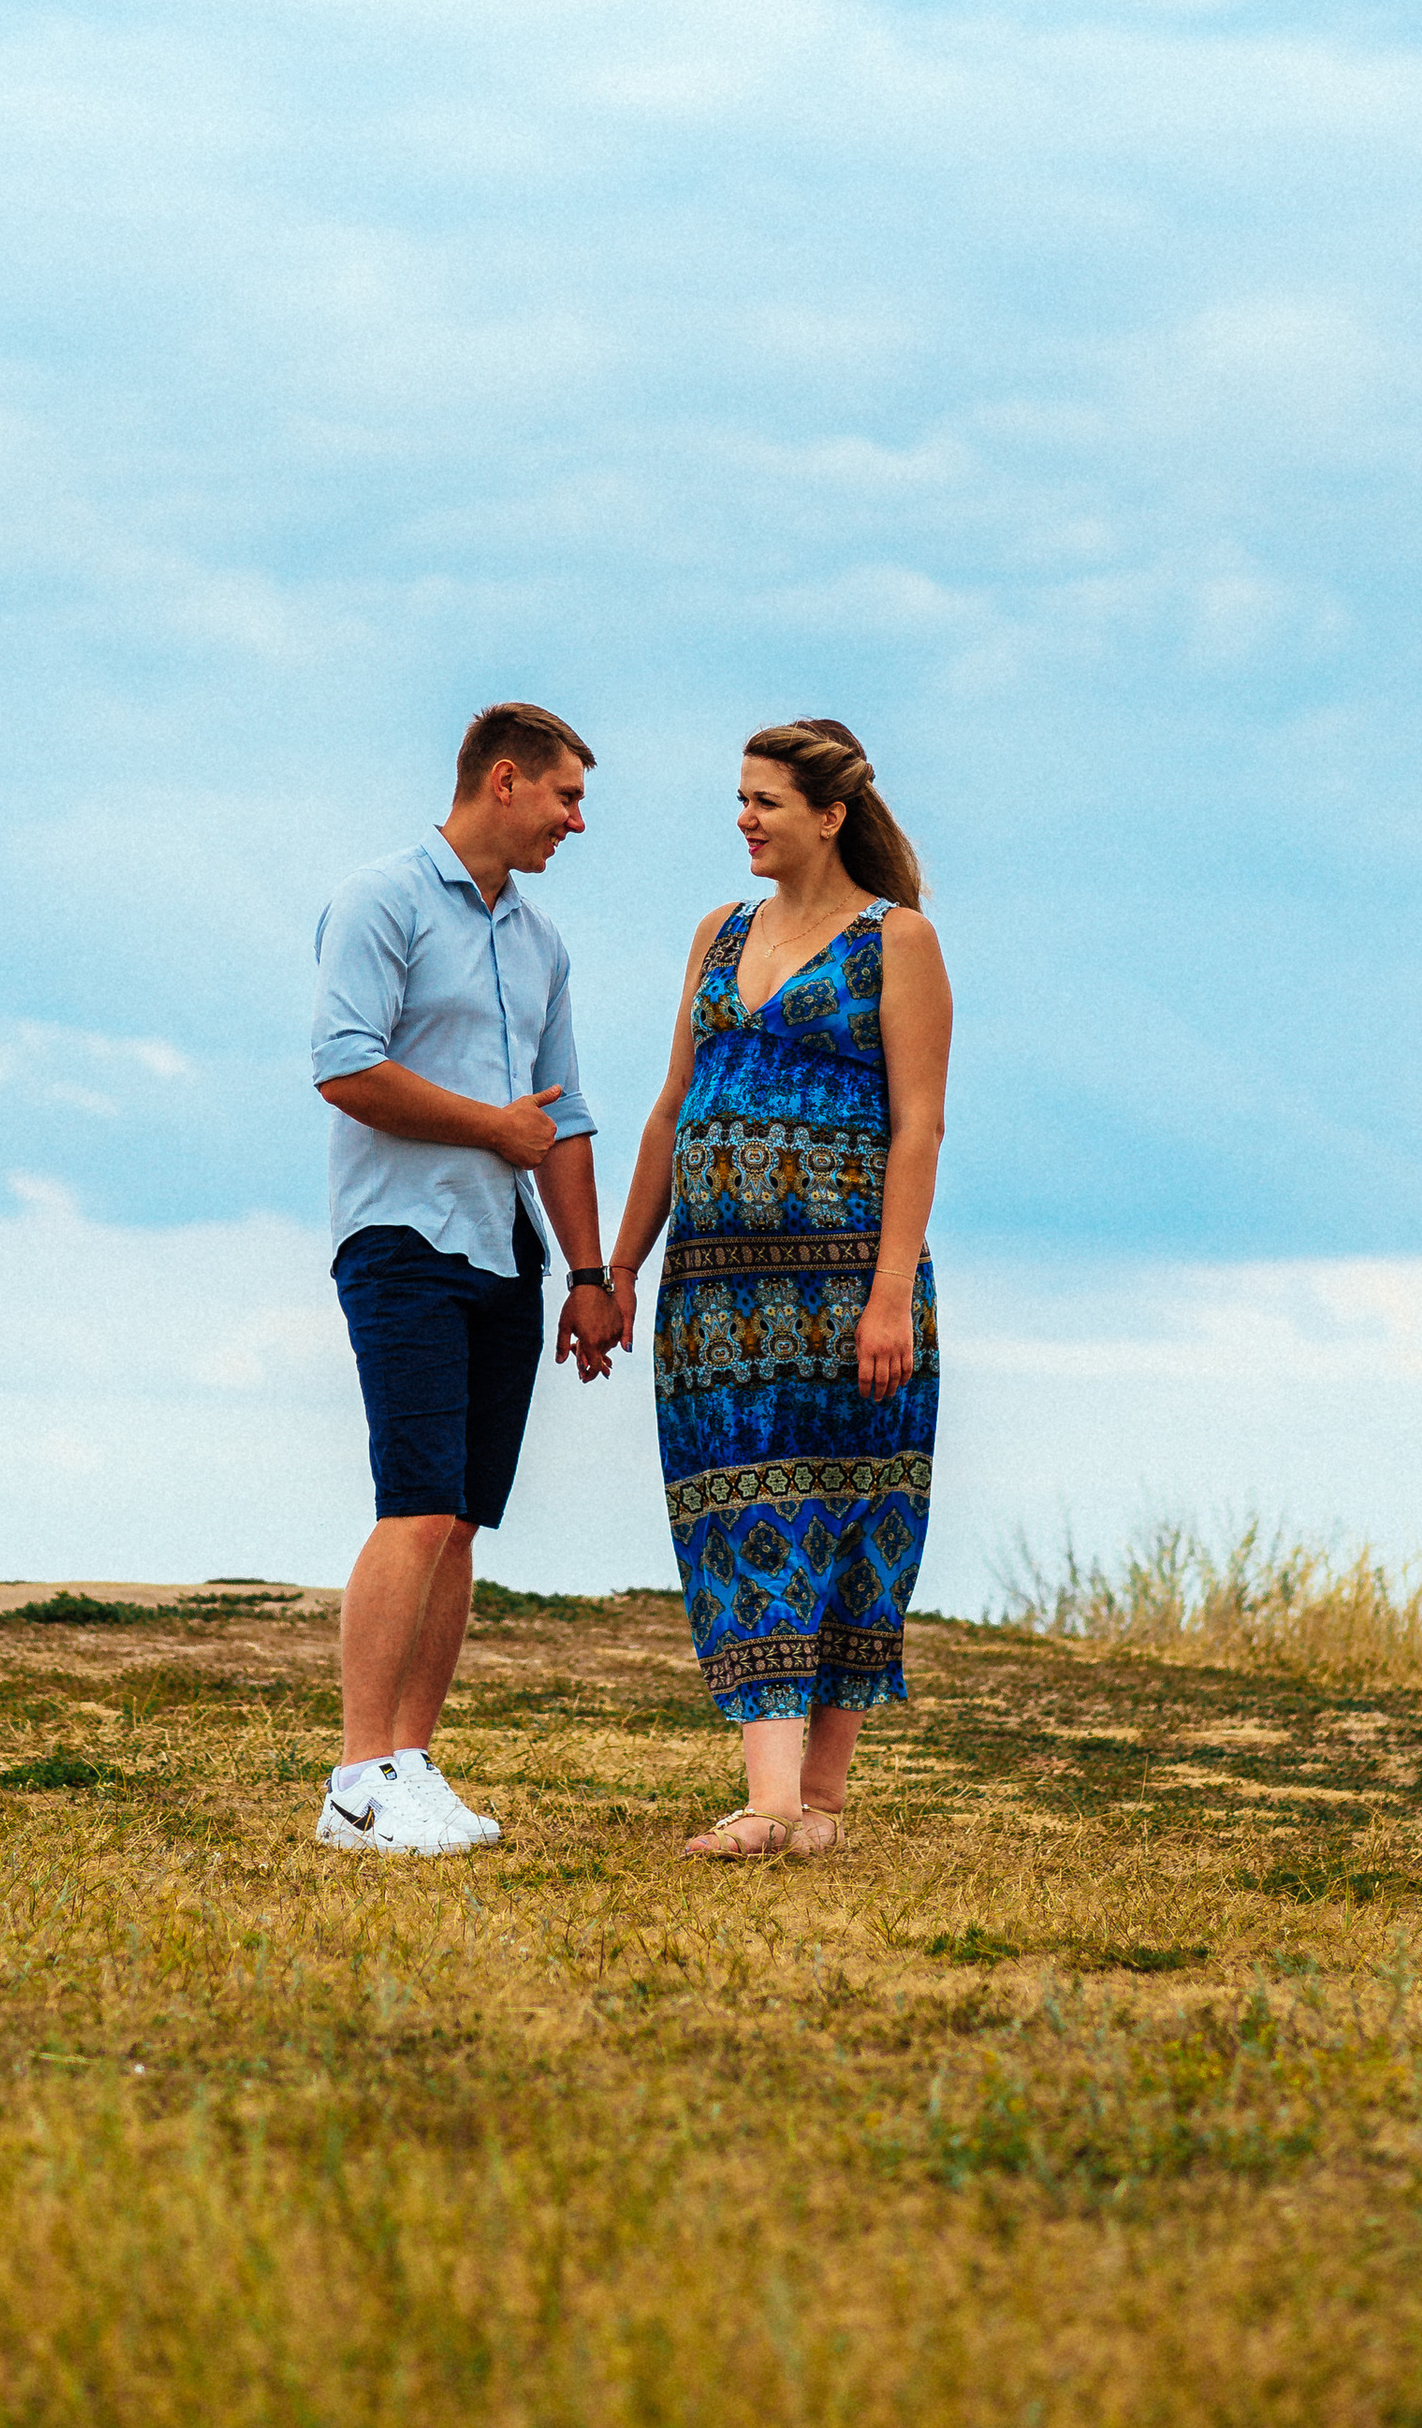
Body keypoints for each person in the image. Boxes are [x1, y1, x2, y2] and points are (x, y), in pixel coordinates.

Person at [606, 718, 951, 1860]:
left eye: (765, 801)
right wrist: (615, 1266)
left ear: (829, 815)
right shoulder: (718, 933)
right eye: (741, 799)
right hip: (712, 1299)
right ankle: (766, 1798)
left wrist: (890, 1293)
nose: (745, 819)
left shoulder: (896, 942)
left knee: (851, 1521)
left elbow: (918, 1127)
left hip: (849, 1292)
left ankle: (819, 1803)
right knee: (738, 1517)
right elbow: (667, 1110)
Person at [308, 702, 620, 1857]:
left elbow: (565, 1119)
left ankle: (409, 1767)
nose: (576, 823)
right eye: (566, 798)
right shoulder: (379, 899)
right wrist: (492, 1130)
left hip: (508, 1251)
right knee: (417, 1504)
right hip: (401, 1240)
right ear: (504, 781)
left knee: (461, 1523)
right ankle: (353, 1783)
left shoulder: (539, 942)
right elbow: (345, 1067)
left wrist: (590, 1273)